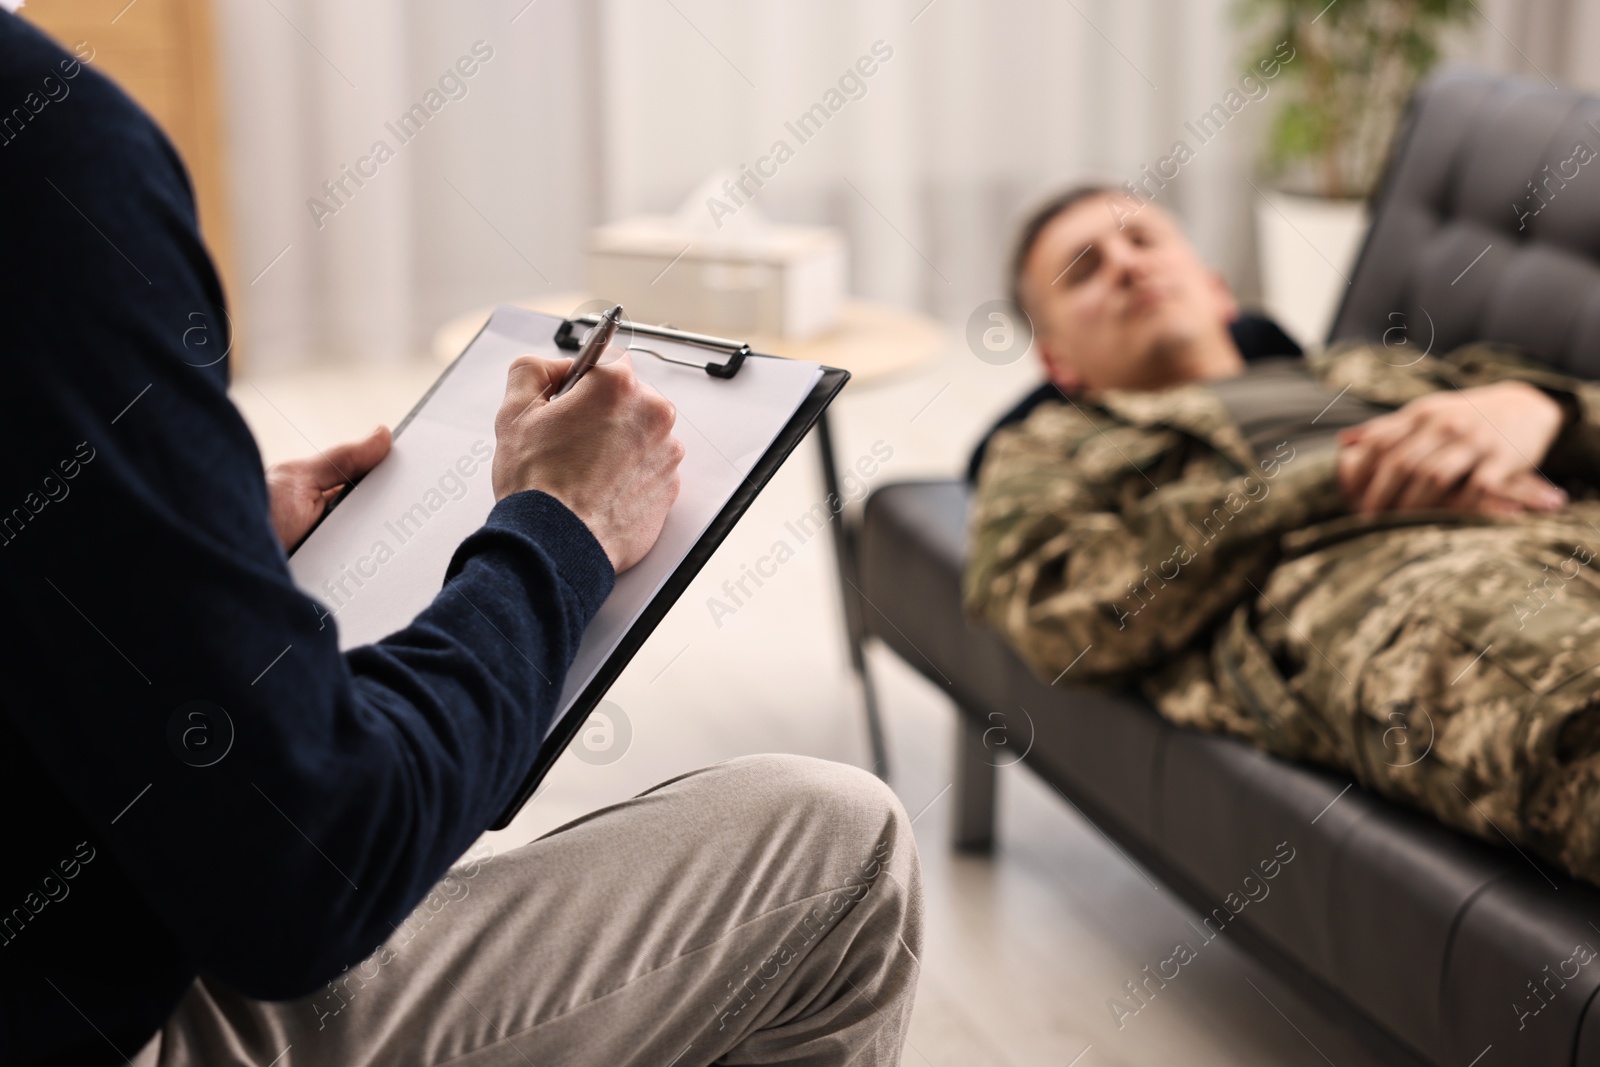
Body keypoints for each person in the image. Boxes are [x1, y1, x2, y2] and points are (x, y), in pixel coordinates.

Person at [0, 14, 921, 1067]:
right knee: (841, 846)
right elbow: (311, 864)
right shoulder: (46, 151)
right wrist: (561, 529)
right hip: (88, 1013)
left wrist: (168, 531)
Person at [965, 183, 1600, 886]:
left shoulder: (1371, 367)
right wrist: (1336, 478)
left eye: (1142, 240)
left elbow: (1563, 411)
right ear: (1058, 363)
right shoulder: (1050, 448)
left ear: (1217, 291)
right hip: (1399, 591)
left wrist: (1542, 408)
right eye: (1083, 269)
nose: (1125, 266)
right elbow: (1058, 611)